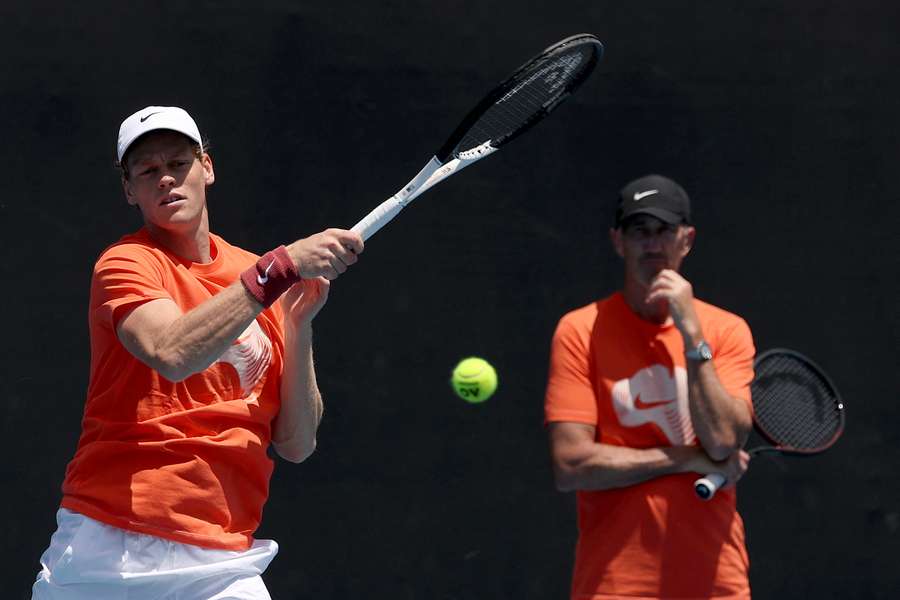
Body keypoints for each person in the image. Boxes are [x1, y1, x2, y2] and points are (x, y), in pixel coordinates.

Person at [32, 106, 364, 600]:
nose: (165, 178)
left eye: (178, 163)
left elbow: (297, 444)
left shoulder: (259, 279)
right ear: (129, 190)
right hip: (110, 546)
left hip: (221, 561)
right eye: (147, 171)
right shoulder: (126, 263)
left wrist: (297, 325)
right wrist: (280, 269)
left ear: (206, 167)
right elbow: (172, 350)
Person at [544, 174, 755, 599]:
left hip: (715, 585)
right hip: (614, 586)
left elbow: (722, 443)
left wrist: (693, 337)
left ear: (687, 240)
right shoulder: (580, 331)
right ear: (618, 242)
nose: (653, 245)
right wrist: (684, 458)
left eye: (665, 231)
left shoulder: (727, 331)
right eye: (639, 231)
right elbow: (571, 465)